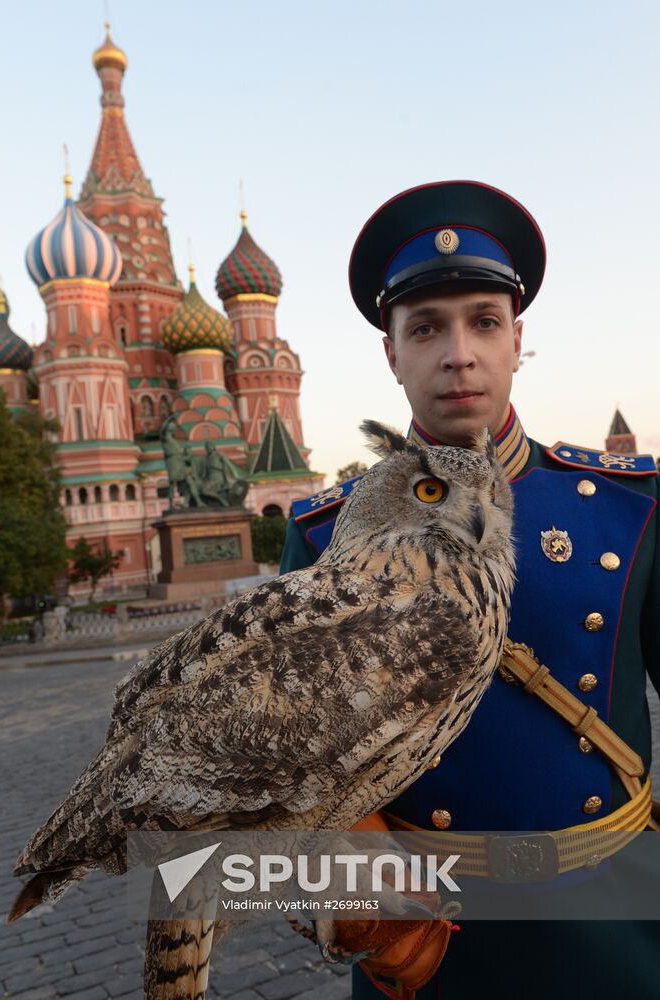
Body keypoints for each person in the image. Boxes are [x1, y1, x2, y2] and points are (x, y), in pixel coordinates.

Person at [280, 181, 660, 998]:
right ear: (391, 353)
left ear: (516, 339)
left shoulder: (629, 508)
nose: (459, 353)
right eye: (425, 328)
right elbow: (302, 757)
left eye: (483, 322)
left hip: (618, 921)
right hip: (432, 940)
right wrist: (348, 860)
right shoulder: (322, 535)